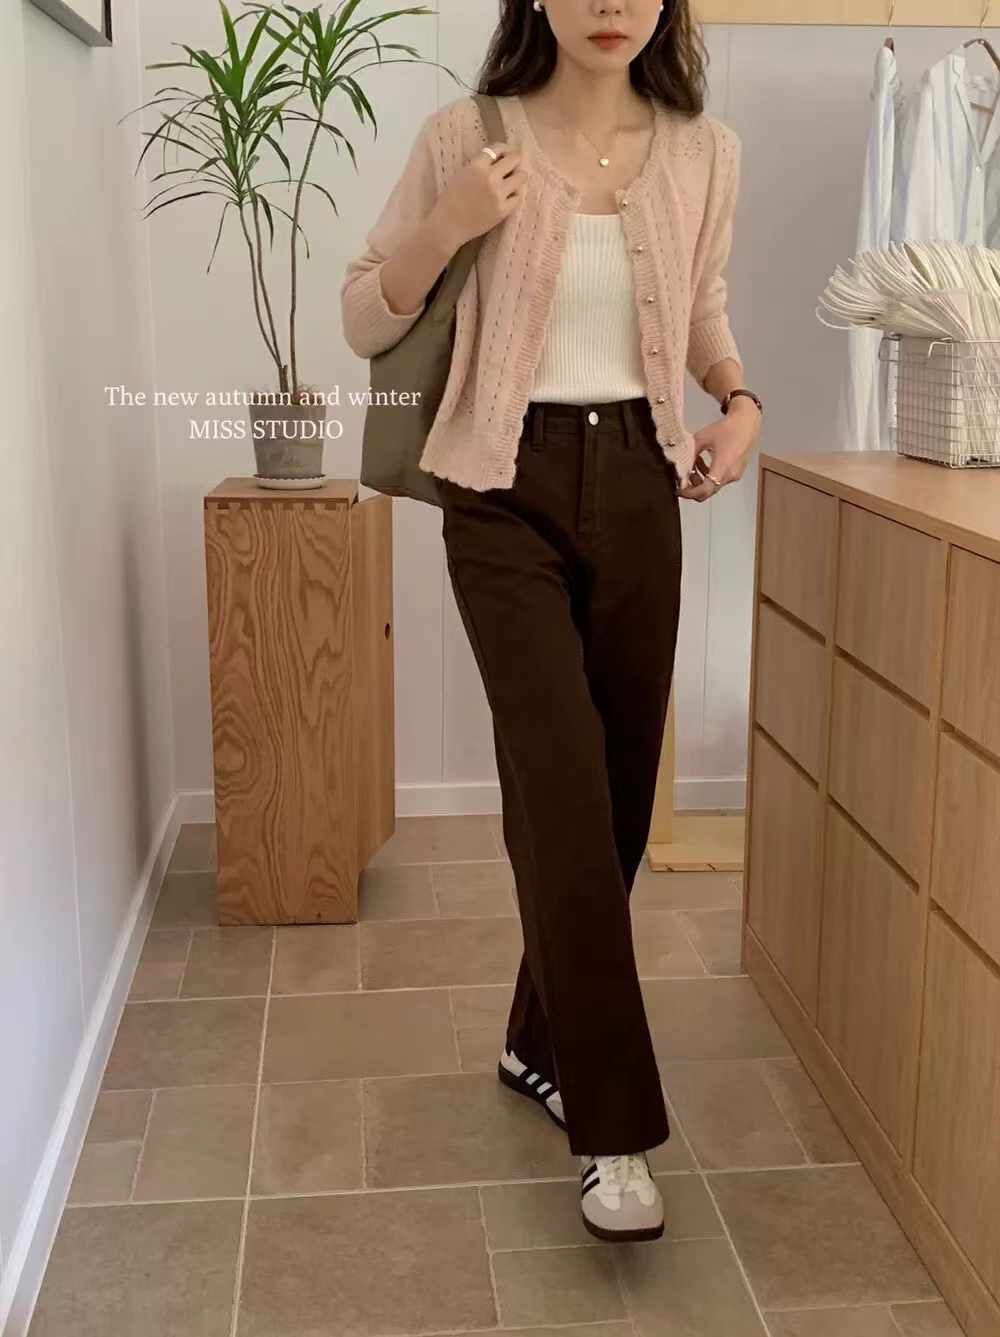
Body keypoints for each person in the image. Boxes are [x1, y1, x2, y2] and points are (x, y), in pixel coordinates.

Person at [341, 0, 763, 1243]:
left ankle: (538, 1040)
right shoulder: (462, 137)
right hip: (499, 487)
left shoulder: (705, 151)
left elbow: (700, 308)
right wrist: (449, 222)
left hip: (640, 476)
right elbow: (365, 314)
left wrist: (737, 400)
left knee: (617, 801)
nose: (609, 4)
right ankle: (613, 1128)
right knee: (564, 792)